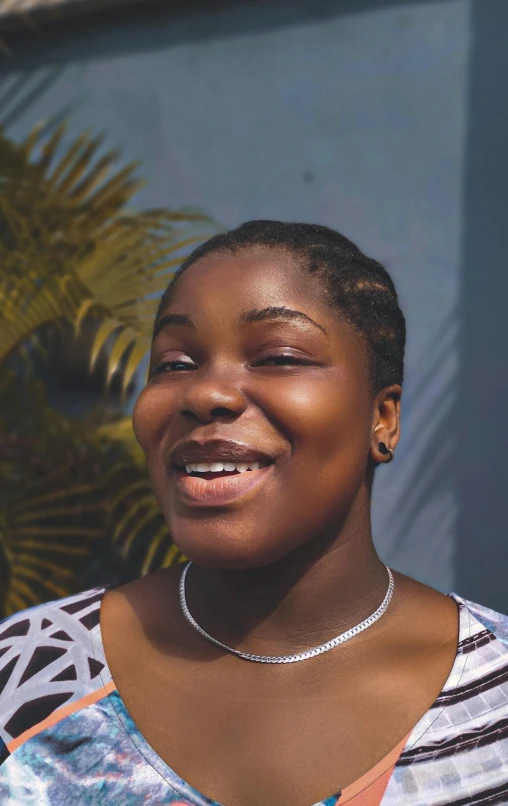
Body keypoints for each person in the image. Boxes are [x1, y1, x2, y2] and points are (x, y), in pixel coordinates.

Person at [0, 221, 507, 806]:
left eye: (278, 356)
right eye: (175, 363)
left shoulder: (495, 694)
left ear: (382, 418)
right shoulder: (29, 678)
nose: (205, 394)